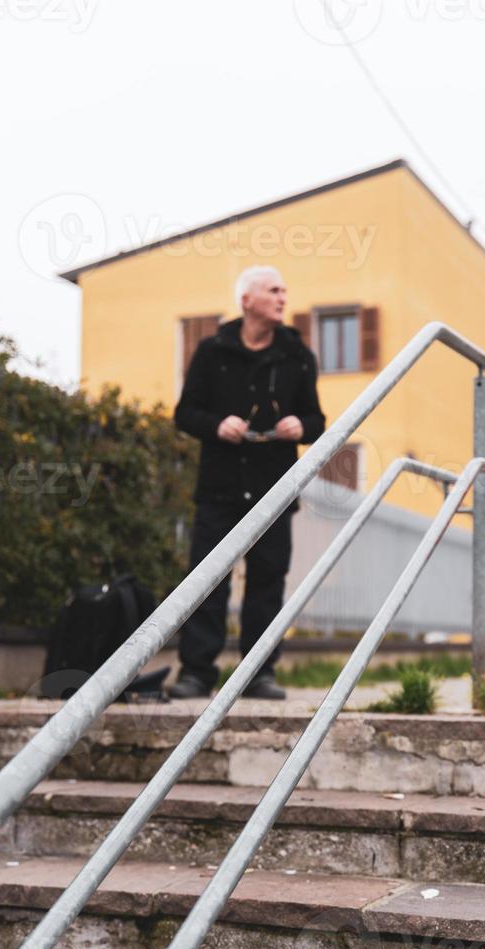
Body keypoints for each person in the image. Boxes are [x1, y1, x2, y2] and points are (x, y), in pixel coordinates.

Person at [169, 265, 325, 700]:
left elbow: (317, 420)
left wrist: (301, 425)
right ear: (247, 300)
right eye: (274, 290)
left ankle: (258, 675)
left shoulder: (298, 356)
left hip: (274, 491)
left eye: (284, 290)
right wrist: (217, 425)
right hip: (219, 488)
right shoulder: (211, 351)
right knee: (207, 581)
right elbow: (185, 413)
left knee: (266, 582)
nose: (282, 297)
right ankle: (196, 673)